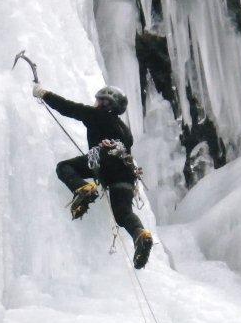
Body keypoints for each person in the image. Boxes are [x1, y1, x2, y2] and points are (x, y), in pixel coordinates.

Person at [33, 83, 153, 269]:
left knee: (64, 167)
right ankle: (140, 234)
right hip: (126, 175)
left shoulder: (97, 115)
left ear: (107, 103)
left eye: (99, 100)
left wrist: (44, 94)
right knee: (123, 214)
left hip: (105, 163)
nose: (96, 102)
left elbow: (69, 108)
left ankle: (82, 188)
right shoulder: (124, 130)